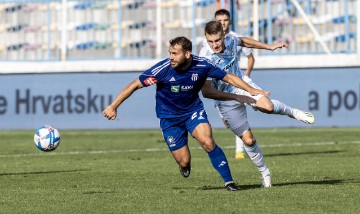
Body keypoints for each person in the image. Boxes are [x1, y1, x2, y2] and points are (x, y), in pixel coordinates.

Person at [103, 36, 269, 191]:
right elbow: (134, 85)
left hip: (192, 111)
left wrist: (251, 90)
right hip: (169, 119)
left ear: (187, 54)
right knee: (184, 160)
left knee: (208, 141)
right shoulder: (163, 69)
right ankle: (184, 166)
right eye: (170, 53)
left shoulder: (202, 65)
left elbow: (229, 77)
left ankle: (229, 182)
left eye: (175, 53)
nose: (171, 57)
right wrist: (113, 106)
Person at [199, 20, 314, 188]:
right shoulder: (205, 58)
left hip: (243, 85)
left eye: (217, 40)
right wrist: (235, 97)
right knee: (249, 140)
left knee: (267, 107)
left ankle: (293, 112)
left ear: (223, 35)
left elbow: (243, 41)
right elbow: (207, 91)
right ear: (206, 39)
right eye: (210, 41)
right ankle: (265, 173)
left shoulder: (231, 39)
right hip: (225, 99)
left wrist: (268, 46)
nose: (215, 45)